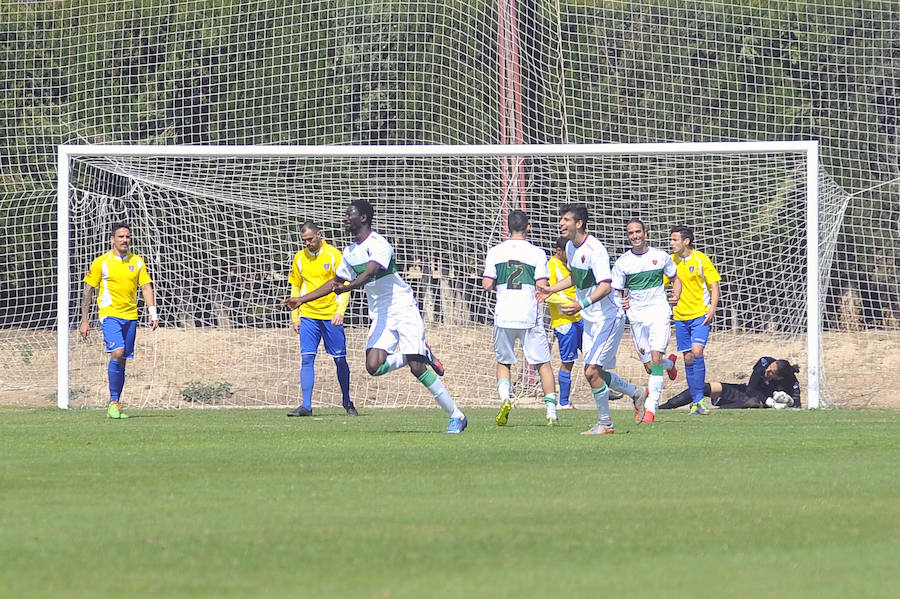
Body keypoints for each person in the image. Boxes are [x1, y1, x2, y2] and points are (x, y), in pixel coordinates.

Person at [281, 199, 467, 433]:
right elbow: (334, 283)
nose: (345, 218)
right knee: (373, 367)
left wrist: (346, 289)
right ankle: (420, 352)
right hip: (380, 314)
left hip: (402, 308)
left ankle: (456, 415)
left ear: (363, 218)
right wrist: (301, 300)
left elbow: (368, 275)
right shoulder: (349, 252)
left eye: (350, 214)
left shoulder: (379, 244)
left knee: (417, 368)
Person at [536, 204, 648, 435]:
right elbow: (577, 279)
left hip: (608, 318)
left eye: (566, 219)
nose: (561, 223)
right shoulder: (570, 247)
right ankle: (636, 392)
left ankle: (606, 424)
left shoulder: (595, 249)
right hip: (590, 319)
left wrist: (581, 304)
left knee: (590, 372)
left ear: (579, 223)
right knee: (595, 373)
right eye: (561, 219)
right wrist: (551, 290)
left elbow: (605, 286)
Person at [483, 210, 559, 426]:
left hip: (504, 315)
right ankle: (551, 412)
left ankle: (506, 399)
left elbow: (487, 284)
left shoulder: (495, 252)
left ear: (507, 228)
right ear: (528, 227)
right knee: (543, 364)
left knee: (503, 362)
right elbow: (542, 286)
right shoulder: (537, 253)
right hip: (528, 315)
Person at [79, 222, 159, 419]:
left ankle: (115, 402)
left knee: (122, 360)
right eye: (121, 236)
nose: (125, 240)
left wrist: (153, 312)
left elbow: (146, 287)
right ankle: (113, 403)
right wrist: (84, 320)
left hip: (131, 316)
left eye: (128, 236)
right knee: (117, 351)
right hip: (109, 315)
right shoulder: (101, 262)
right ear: (112, 239)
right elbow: (88, 290)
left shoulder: (138, 262)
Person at [286, 222, 358, 417]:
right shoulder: (300, 258)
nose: (308, 243)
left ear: (319, 235)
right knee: (307, 358)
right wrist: (295, 316)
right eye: (304, 240)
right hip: (308, 315)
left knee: (340, 359)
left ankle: (347, 401)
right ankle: (306, 406)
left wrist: (340, 311)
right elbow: (295, 287)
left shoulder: (334, 254)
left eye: (310, 238)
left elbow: (344, 285)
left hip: (330, 315)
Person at [612, 219, 680, 424]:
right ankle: (670, 364)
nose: (635, 236)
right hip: (637, 317)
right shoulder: (623, 262)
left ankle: (651, 409)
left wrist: (676, 295)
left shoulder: (660, 257)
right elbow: (616, 292)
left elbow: (675, 278)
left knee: (656, 358)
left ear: (646, 233)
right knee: (651, 367)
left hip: (659, 313)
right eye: (631, 233)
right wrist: (619, 302)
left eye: (638, 232)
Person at [668, 225, 721, 416]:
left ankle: (699, 400)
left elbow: (714, 285)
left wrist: (712, 309)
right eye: (671, 239)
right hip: (680, 317)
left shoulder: (700, 259)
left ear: (686, 241)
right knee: (688, 357)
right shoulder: (671, 262)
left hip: (700, 314)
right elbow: (662, 284)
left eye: (675, 239)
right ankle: (694, 402)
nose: (671, 243)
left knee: (697, 352)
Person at [659, 357, 801, 409]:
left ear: (780, 377)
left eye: (771, 373)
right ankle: (664, 407)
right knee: (703, 388)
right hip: (743, 391)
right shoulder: (764, 362)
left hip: (755, 402)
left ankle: (720, 410)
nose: (767, 371)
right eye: (769, 368)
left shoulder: (791, 383)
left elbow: (796, 404)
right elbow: (751, 388)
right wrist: (771, 402)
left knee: (753, 402)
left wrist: (787, 403)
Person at [545, 236, 583, 410]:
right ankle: (564, 403)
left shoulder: (569, 265)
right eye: (567, 252)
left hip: (580, 317)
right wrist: (568, 302)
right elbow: (548, 294)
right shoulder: (551, 266)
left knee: (594, 354)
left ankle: (604, 387)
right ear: (559, 251)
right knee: (568, 361)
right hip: (563, 321)